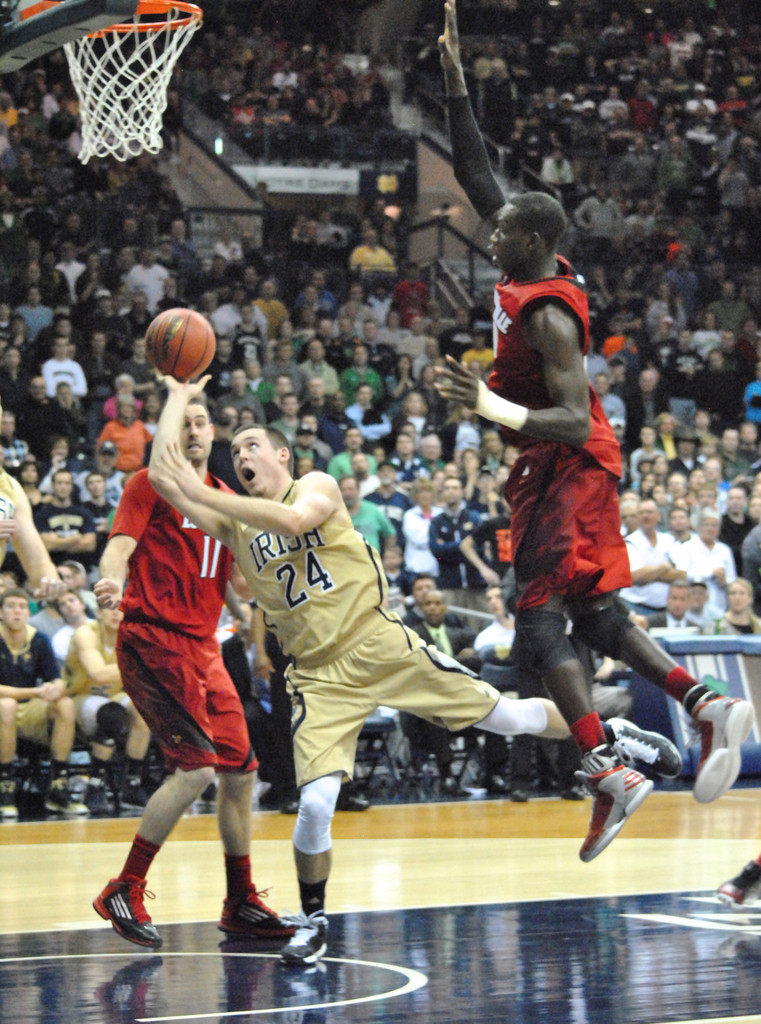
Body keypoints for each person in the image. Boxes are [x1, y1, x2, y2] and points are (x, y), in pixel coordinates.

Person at [147, 376, 682, 967]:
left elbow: (294, 522)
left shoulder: (316, 485)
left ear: (281, 454)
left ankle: (609, 736)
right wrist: (176, 396)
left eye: (251, 445)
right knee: (316, 805)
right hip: (318, 676)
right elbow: (163, 480)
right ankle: (315, 919)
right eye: (235, 449)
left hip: (379, 644)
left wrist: (207, 494)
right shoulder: (235, 523)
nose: (241, 455)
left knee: (506, 718)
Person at [435, 0, 755, 862]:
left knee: (536, 622)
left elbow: (574, 416)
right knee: (592, 611)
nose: (490, 232)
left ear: (534, 240)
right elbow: (474, 172)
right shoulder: (530, 258)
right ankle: (704, 703)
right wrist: (455, 83)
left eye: (503, 229)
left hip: (564, 458)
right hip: (566, 463)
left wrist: (486, 407)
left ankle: (606, 768)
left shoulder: (548, 315)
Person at [90, 396, 293, 951]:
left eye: (202, 423)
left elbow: (224, 578)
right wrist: (110, 582)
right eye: (185, 423)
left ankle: (240, 899)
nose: (196, 431)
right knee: (197, 770)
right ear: (169, 434)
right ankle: (125, 886)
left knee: (240, 772)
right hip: (153, 639)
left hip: (204, 648)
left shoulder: (223, 498)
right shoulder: (147, 485)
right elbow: (119, 549)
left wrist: (247, 614)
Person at [0, 587, 87, 819]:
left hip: (29, 708)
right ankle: (5, 786)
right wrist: (36, 691)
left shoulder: (38, 639)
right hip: (5, 706)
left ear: (28, 613)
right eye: (11, 606)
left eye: (22, 607)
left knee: (65, 704)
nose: (17, 612)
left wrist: (56, 687)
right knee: (6, 705)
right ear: (1, 612)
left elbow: (55, 677)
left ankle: (59, 785)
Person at [63, 601, 151, 814]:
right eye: (111, 609)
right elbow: (98, 674)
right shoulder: (86, 634)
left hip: (114, 695)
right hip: (79, 694)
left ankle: (132, 783)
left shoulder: (131, 635)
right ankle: (95, 784)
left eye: (121, 609)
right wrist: (140, 662)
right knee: (111, 714)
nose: (116, 614)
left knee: (145, 710)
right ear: (99, 612)